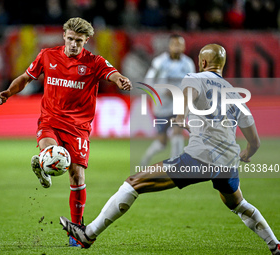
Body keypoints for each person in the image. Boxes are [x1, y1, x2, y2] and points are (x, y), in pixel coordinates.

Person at [59, 44, 280, 254]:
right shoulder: (235, 93)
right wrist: (246, 154)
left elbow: (190, 93)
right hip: (228, 163)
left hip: (200, 159)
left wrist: (181, 115)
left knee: (134, 183)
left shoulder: (194, 78)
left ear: (203, 62)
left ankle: (88, 234)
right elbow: (255, 142)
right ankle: (275, 245)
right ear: (222, 65)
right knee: (238, 203)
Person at [0, 17, 132, 247]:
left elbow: (113, 73)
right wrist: (9, 92)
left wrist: (121, 80)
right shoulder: (47, 56)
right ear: (64, 37)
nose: (73, 44)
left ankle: (76, 229)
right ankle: (44, 163)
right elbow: (25, 78)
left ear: (86, 40)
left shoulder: (94, 62)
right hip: (50, 120)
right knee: (51, 150)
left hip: (78, 128)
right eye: (70, 39)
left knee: (77, 175)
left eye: (78, 41)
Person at [140, 34, 195, 166]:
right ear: (169, 46)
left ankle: (175, 165)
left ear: (184, 46)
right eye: (175, 44)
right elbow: (148, 82)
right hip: (162, 105)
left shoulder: (188, 63)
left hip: (179, 105)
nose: (177, 47)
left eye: (180, 44)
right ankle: (146, 158)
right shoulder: (159, 62)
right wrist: (162, 92)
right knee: (162, 141)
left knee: (178, 131)